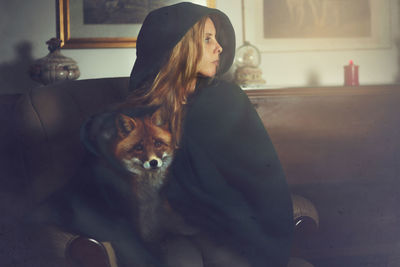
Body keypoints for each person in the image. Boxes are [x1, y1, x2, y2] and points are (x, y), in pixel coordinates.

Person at [121, 2, 294, 267]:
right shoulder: (137, 112)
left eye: (217, 38)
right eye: (207, 39)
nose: (219, 47)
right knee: (180, 260)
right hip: (167, 229)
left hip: (225, 228)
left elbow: (263, 179)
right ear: (180, 47)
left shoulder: (227, 101)